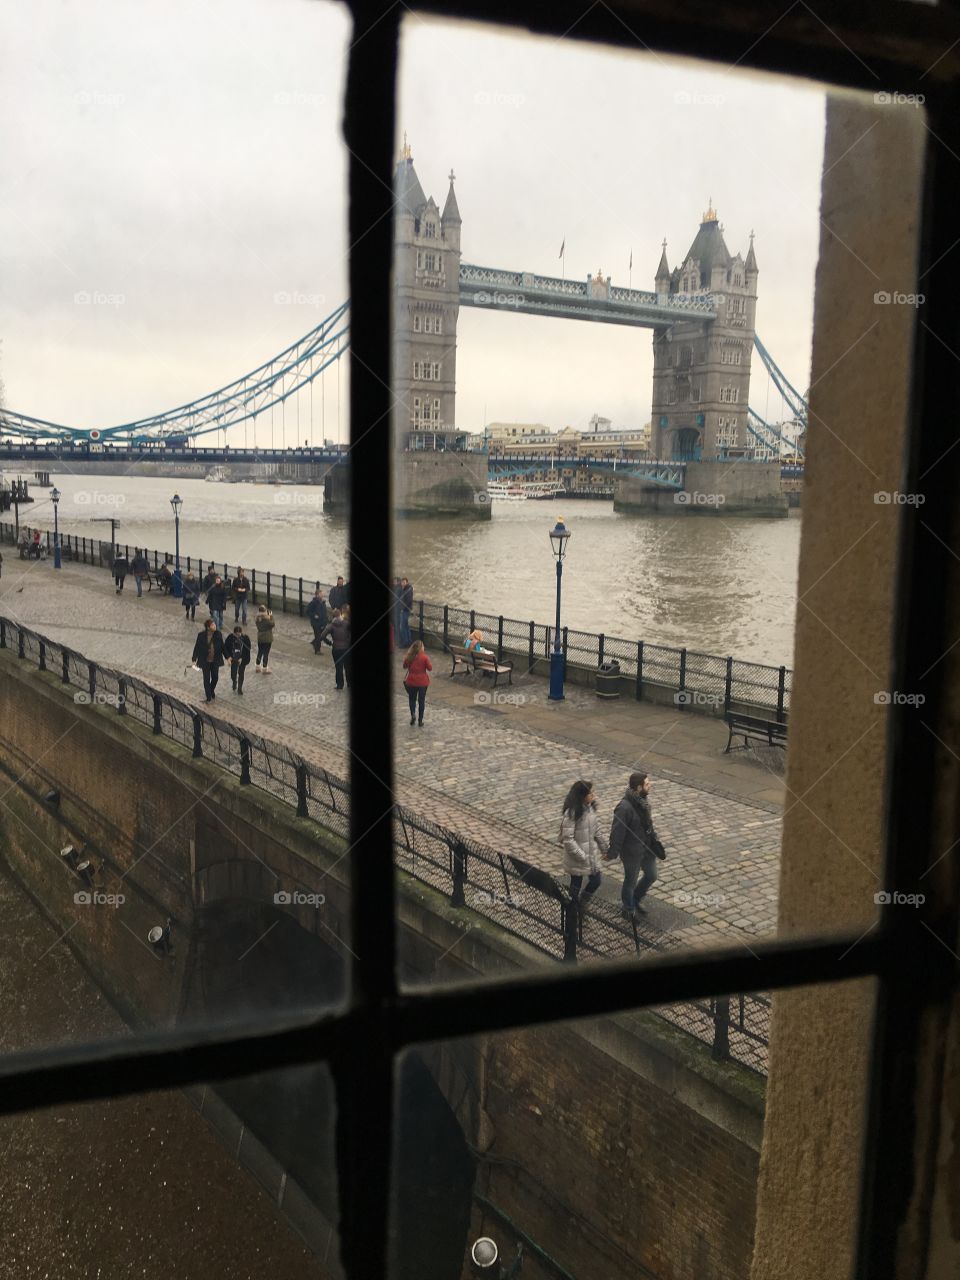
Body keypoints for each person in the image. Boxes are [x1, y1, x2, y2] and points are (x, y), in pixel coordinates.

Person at [607, 771, 666, 920]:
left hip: (647, 848)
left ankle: (635, 899)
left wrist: (654, 839)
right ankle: (628, 908)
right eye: (647, 784)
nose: (650, 785)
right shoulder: (624, 808)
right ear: (639, 788)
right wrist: (612, 852)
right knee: (630, 881)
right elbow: (617, 832)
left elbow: (648, 825)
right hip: (632, 852)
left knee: (651, 875)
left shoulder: (643, 802)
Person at [560, 780, 608, 913]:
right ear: (582, 795)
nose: (593, 795)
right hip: (577, 857)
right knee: (575, 884)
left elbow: (596, 830)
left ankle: (582, 902)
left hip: (590, 855)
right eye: (590, 793)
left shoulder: (590, 809)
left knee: (596, 881)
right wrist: (582, 856)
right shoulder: (571, 813)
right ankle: (573, 910)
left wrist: (604, 848)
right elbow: (568, 840)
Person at [191, 617, 224, 703]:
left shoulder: (218, 634)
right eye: (213, 625)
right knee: (206, 679)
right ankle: (208, 696)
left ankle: (211, 690)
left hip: (215, 660)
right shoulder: (201, 635)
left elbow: (222, 647)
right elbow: (197, 647)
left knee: (215, 677)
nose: (215, 626)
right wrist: (194, 659)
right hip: (205, 661)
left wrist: (227, 657)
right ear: (208, 627)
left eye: (214, 624)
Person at [402, 639, 432, 726]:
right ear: (421, 648)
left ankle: (413, 715)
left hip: (411, 681)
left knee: (412, 699)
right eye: (423, 646)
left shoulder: (409, 656)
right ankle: (420, 720)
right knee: (421, 700)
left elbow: (404, 666)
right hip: (422, 682)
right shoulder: (424, 657)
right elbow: (430, 668)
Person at [320, 607, 351, 689]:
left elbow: (322, 636)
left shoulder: (331, 626)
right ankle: (350, 683)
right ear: (340, 614)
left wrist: (329, 643)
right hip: (346, 648)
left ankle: (340, 685)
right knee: (348, 666)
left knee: (338, 667)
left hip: (336, 649)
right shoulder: (346, 623)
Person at [224, 625, 252, 694]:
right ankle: (234, 681)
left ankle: (240, 688)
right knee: (233, 674)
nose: (238, 636)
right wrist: (228, 658)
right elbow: (225, 648)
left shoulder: (245, 638)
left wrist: (242, 658)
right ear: (234, 633)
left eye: (239, 634)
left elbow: (248, 649)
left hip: (242, 660)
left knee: (241, 673)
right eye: (236, 634)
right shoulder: (230, 637)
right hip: (233, 659)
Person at [306, 588, 328, 653]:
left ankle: (314, 643)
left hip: (322, 622)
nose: (322, 595)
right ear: (317, 595)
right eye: (321, 594)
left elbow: (324, 612)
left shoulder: (323, 602)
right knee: (318, 636)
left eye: (322, 594)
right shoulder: (313, 603)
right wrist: (314, 615)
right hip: (315, 623)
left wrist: (326, 619)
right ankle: (317, 650)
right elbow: (307, 611)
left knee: (321, 635)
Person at [255, 603, 275, 673]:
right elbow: (272, 624)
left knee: (260, 651)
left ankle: (257, 667)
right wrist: (271, 616)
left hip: (260, 637)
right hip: (267, 638)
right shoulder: (267, 619)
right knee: (266, 653)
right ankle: (264, 668)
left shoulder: (257, 619)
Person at [399, 577, 414, 647]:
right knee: (406, 626)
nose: (403, 583)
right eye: (402, 582)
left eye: (404, 582)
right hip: (406, 610)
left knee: (403, 627)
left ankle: (405, 643)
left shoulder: (407, 589)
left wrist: (402, 608)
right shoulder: (405, 589)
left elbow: (408, 601)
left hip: (405, 610)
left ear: (407, 582)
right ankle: (409, 642)